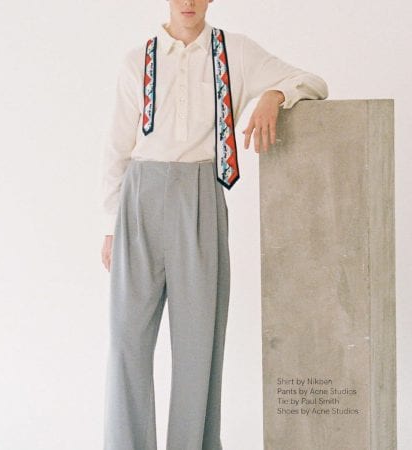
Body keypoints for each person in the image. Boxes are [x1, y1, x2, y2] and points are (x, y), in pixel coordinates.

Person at [99, 1, 328, 448]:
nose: (188, 2)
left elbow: (312, 81)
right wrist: (112, 224)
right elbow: (117, 146)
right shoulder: (137, 59)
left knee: (198, 344)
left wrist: (273, 96)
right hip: (138, 199)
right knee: (127, 342)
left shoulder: (234, 52)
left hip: (200, 195)